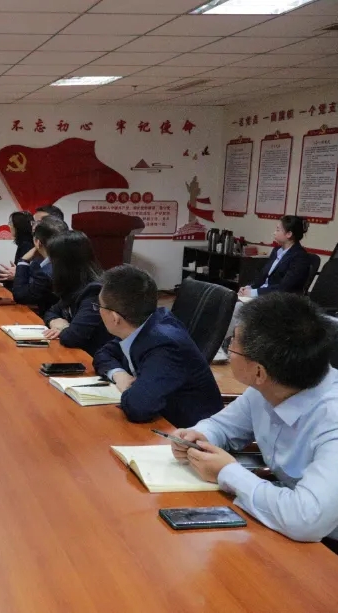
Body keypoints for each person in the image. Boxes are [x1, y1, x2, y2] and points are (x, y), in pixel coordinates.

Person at [171, 293, 338, 543]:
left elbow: (306, 520)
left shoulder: (331, 418)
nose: (228, 351)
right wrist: (199, 437)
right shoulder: (270, 387)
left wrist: (227, 472)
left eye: (232, 345)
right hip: (281, 516)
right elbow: (221, 426)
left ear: (259, 372)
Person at [93, 265, 223, 427]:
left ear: (115, 317)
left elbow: (138, 407)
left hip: (189, 434)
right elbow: (103, 354)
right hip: (162, 421)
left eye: (99, 306)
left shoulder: (165, 345)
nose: (98, 311)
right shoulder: (142, 323)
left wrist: (129, 390)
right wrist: (119, 375)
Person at [42, 231, 113, 355]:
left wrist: (65, 328)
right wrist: (55, 321)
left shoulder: (95, 291)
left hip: (95, 358)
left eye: (52, 261)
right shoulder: (73, 286)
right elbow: (51, 312)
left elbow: (73, 337)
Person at [239, 215, 312, 297]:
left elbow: (284, 288)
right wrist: (249, 288)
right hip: (263, 295)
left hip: (279, 300)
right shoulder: (276, 250)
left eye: (278, 230)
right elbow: (263, 277)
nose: (274, 233)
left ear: (289, 234)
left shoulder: (300, 257)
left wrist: (253, 293)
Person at [12, 216, 67, 314]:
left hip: (54, 318)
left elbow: (20, 296)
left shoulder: (47, 272)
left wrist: (24, 260)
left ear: (37, 242)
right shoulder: (70, 260)